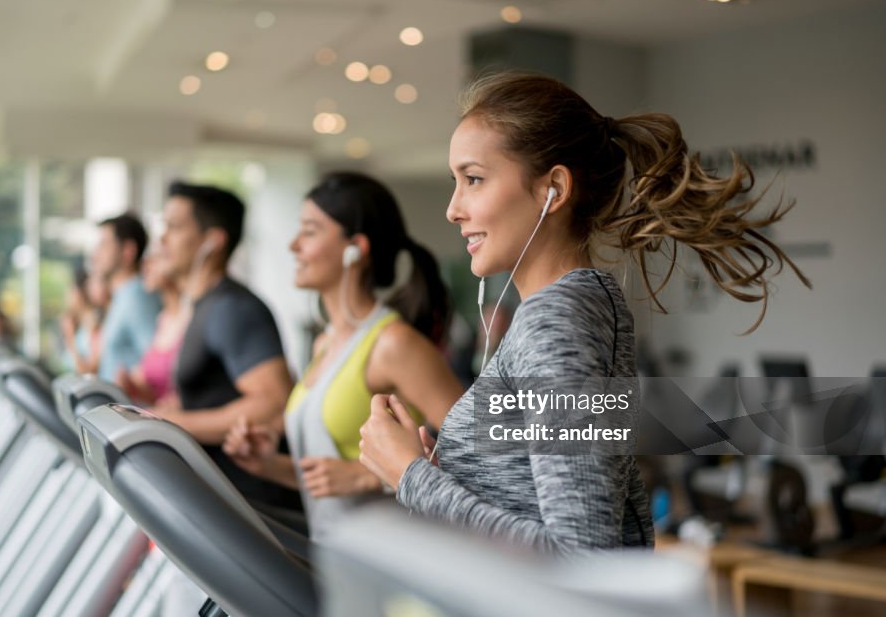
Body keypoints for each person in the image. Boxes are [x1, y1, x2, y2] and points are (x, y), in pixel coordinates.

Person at [357, 71, 810, 555]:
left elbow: (581, 551)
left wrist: (412, 476)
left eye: (473, 179)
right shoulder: (568, 310)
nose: (453, 209)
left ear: (552, 188)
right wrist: (446, 469)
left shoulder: (559, 320)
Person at [223, 172, 465, 541]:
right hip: (337, 555)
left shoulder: (393, 343)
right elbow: (331, 478)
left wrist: (367, 475)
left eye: (309, 231)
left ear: (356, 248)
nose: (293, 245)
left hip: (394, 557)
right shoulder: (325, 343)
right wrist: (269, 465)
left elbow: (480, 447)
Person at [152, 181, 296, 507]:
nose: (162, 239)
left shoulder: (232, 308)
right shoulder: (204, 305)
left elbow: (274, 403)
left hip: (255, 507)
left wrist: (170, 424)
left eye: (174, 227)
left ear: (213, 241)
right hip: (218, 498)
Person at [93, 212, 161, 381]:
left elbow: (155, 363)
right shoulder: (122, 297)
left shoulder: (137, 296)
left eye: (104, 245)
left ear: (128, 251)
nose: (96, 254)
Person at [115, 249, 187, 404]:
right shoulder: (163, 318)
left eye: (156, 258)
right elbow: (155, 394)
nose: (146, 265)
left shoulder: (192, 316)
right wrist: (130, 385)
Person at [60, 265, 107, 374]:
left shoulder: (93, 323)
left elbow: (88, 371)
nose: (67, 296)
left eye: (71, 290)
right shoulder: (79, 323)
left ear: (79, 293)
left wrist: (70, 338)